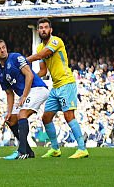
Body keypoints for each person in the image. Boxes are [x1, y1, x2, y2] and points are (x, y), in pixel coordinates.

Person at [25, 18, 89, 159]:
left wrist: (26, 60)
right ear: (38, 31)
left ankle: (82, 148)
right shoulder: (39, 48)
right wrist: (30, 78)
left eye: (46, 27)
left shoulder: (56, 41)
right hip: (55, 86)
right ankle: (55, 149)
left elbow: (43, 55)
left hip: (66, 83)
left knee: (69, 116)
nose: (43, 30)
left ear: (50, 30)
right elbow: (43, 71)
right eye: (41, 27)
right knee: (46, 117)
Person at [0, 38, 49, 160]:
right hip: (27, 93)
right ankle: (28, 151)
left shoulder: (15, 58)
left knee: (22, 114)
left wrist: (24, 95)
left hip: (37, 89)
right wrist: (9, 112)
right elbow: (9, 93)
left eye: (3, 47)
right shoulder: (0, 72)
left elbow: (29, 74)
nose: (2, 50)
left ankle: (21, 151)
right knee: (11, 120)